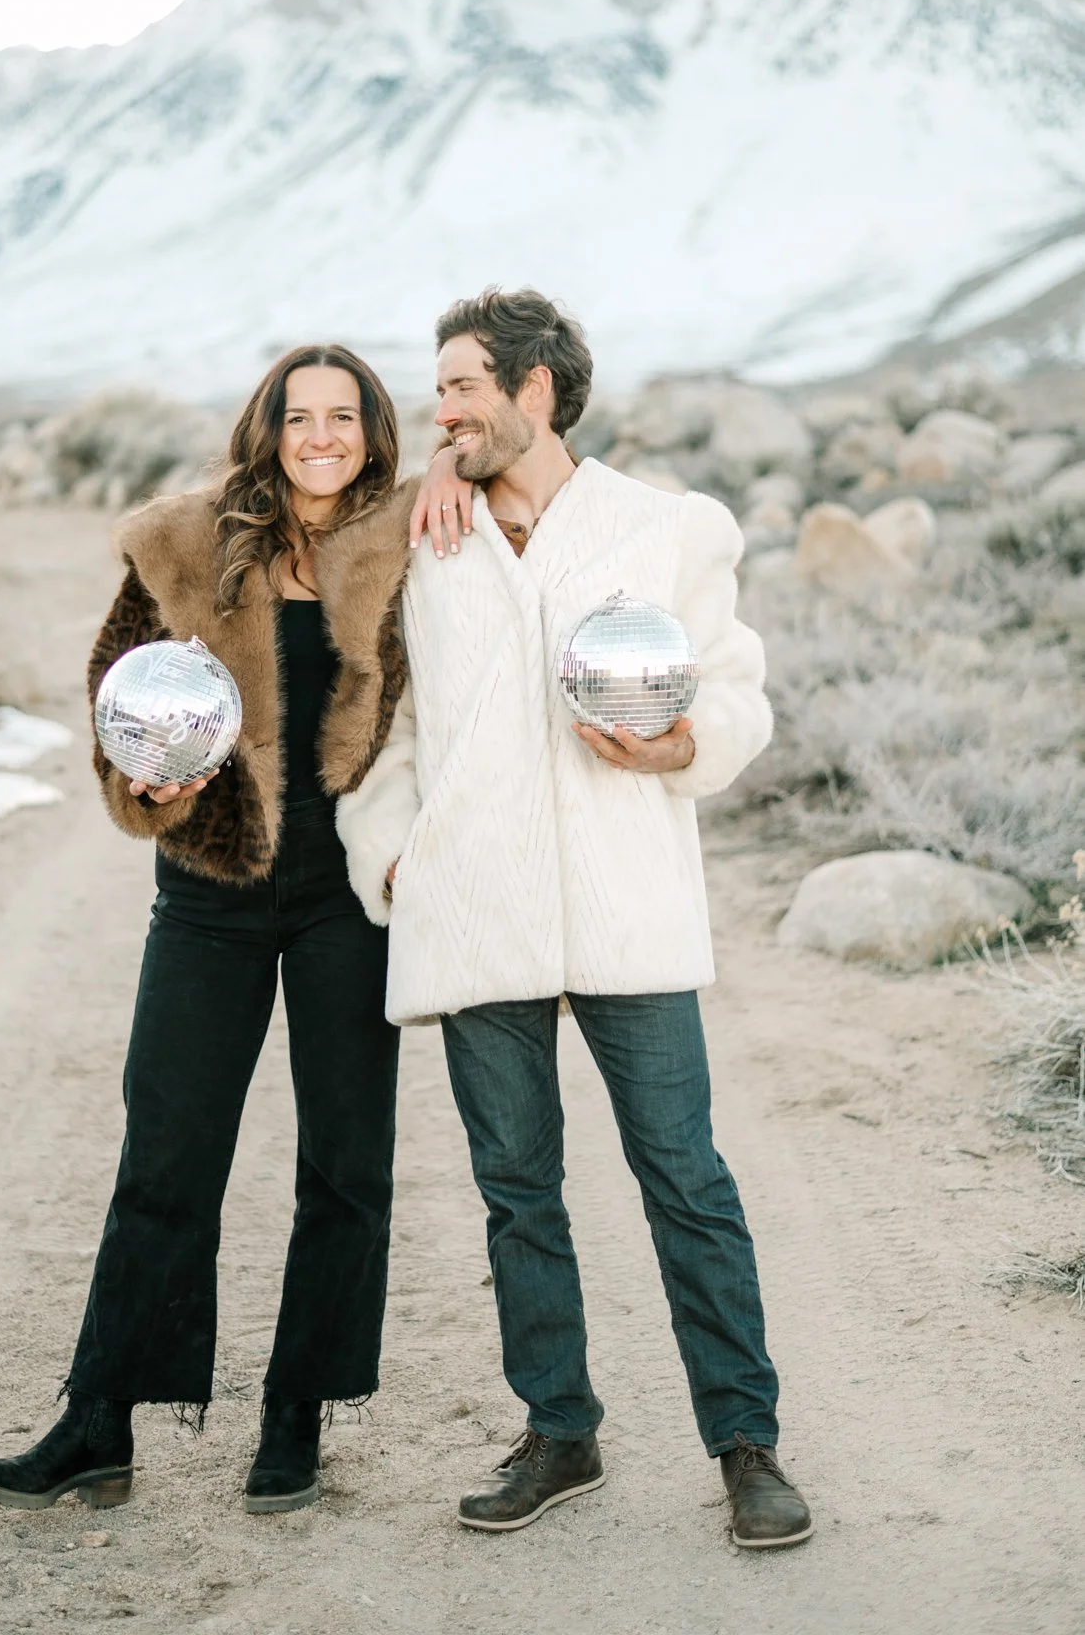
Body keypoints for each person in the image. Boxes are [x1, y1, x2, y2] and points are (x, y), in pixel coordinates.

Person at [337, 288, 813, 1548]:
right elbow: (383, 720)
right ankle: (559, 1426)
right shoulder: (420, 538)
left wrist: (686, 744)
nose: (437, 410)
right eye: (434, 390)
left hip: (626, 903)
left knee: (686, 1179)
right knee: (515, 1187)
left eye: (459, 387)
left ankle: (745, 1440)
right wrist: (390, 850)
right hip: (474, 900)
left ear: (534, 388)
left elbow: (736, 689)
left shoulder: (668, 527)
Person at [0, 344, 425, 1518]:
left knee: (346, 1162)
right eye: (298, 415)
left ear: (374, 429)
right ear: (265, 427)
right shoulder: (178, 545)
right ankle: (98, 1418)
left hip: (349, 899)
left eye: (344, 415)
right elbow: (116, 691)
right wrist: (149, 786)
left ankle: (296, 1410)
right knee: (165, 1152)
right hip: (211, 892)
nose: (321, 435)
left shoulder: (416, 547)